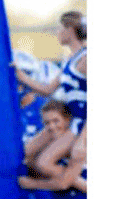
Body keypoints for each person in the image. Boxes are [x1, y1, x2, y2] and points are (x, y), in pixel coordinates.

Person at [14, 11, 86, 176]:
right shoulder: (70, 60)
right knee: (26, 155)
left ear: (70, 30)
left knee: (45, 164)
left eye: (60, 28)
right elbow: (47, 90)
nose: (57, 33)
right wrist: (20, 75)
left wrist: (82, 140)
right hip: (70, 119)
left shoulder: (86, 59)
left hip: (80, 123)